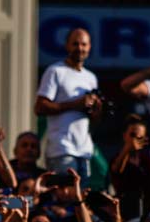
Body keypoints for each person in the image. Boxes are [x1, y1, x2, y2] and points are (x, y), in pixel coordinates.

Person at [34, 28, 100, 178]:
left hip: (84, 150)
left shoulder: (91, 78)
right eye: (75, 44)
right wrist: (75, 104)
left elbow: (94, 121)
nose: (80, 48)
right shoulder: (55, 71)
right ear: (67, 45)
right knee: (65, 192)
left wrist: (97, 109)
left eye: (84, 44)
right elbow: (39, 107)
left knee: (80, 193)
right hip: (61, 149)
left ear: (89, 47)